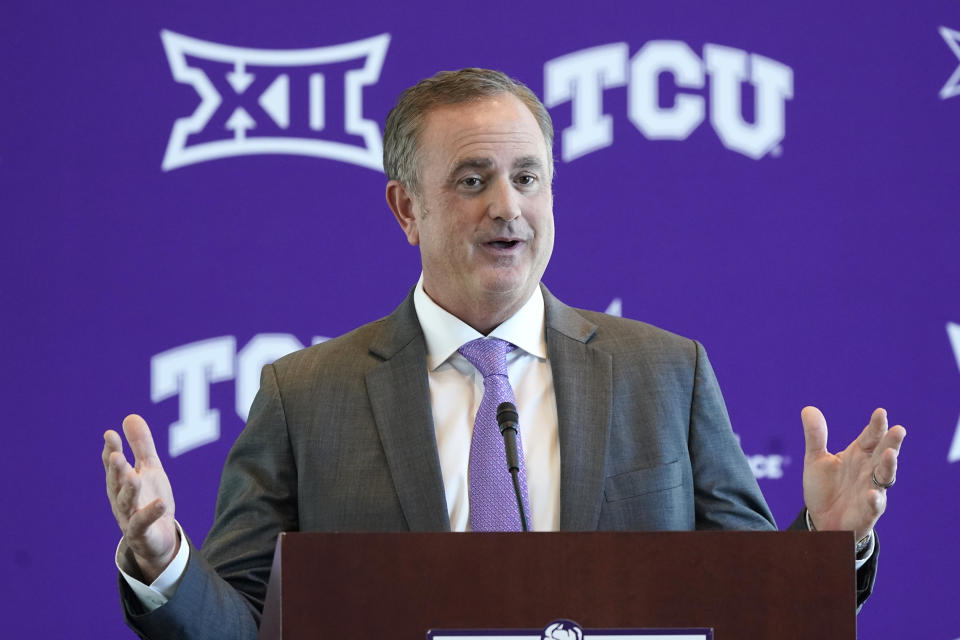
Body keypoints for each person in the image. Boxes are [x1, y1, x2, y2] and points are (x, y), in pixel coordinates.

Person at [102, 68, 906, 639]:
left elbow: (748, 608)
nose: (508, 206)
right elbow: (245, 628)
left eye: (529, 177)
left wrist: (827, 548)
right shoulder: (304, 396)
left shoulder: (667, 373)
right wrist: (166, 560)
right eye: (472, 180)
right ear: (405, 208)